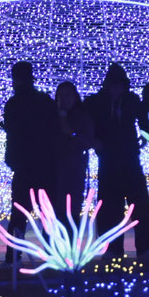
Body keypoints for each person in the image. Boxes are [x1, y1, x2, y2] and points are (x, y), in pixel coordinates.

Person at [89, 63, 149, 258]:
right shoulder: (98, 102)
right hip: (109, 158)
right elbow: (87, 120)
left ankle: (146, 246)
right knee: (110, 206)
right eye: (114, 85)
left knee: (140, 204)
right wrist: (93, 141)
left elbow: (144, 119)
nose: (117, 89)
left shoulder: (131, 100)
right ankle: (112, 247)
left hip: (128, 157)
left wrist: (145, 135)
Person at [0, 62, 58, 243]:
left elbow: (11, 130)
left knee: (18, 211)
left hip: (23, 164)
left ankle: (13, 257)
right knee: (48, 211)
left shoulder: (13, 104)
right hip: (45, 162)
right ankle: (52, 251)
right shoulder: (45, 101)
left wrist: (12, 159)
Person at [52, 81, 97, 219]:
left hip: (75, 168)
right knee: (55, 210)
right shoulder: (52, 117)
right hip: (54, 170)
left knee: (72, 209)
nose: (65, 99)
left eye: (68, 95)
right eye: (61, 96)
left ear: (75, 97)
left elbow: (89, 141)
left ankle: (71, 238)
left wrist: (72, 132)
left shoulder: (83, 116)